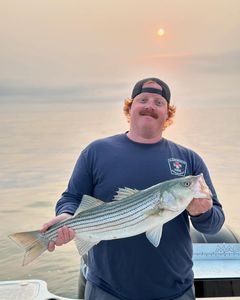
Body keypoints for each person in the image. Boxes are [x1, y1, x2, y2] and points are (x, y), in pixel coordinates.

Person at [41, 77, 225, 300]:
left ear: (168, 113)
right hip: (107, 290)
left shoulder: (188, 160)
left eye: (159, 102)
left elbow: (214, 224)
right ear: (130, 107)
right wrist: (66, 216)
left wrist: (202, 212)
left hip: (176, 289)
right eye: (143, 100)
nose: (150, 106)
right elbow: (72, 197)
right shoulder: (96, 151)